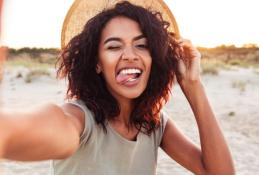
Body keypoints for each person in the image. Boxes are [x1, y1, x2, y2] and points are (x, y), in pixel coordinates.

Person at [0, 1, 235, 175]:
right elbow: (17, 130)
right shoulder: (79, 120)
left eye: (142, 45)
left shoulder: (155, 124)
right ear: (97, 64)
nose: (130, 55)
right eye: (114, 47)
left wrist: (193, 86)